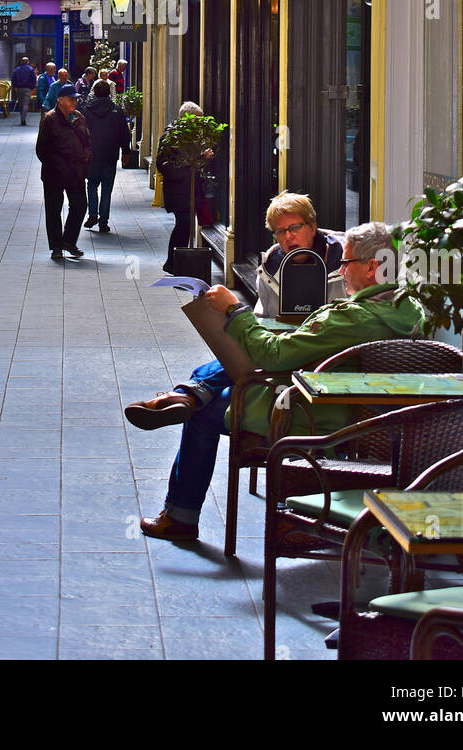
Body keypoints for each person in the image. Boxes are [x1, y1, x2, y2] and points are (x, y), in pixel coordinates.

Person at [128, 221, 426, 541]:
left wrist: (235, 310)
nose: (340, 269)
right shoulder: (407, 310)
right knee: (242, 362)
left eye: (346, 262)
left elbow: (274, 356)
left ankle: (180, 515)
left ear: (373, 267)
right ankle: (191, 393)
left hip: (310, 413)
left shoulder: (353, 319)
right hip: (352, 409)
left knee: (207, 410)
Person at [127, 193, 342, 429]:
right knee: (206, 403)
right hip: (276, 354)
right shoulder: (272, 263)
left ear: (312, 226)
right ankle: (187, 396)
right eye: (280, 231)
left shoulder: (344, 264)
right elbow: (262, 319)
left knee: (202, 411)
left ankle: (187, 393)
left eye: (295, 227)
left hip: (317, 358)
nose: (288, 236)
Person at [155, 101, 214, 273]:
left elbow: (191, 162)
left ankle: (176, 262)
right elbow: (163, 164)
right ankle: (173, 262)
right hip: (178, 190)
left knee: (185, 223)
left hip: (187, 188)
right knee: (184, 222)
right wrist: (186, 171)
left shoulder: (188, 137)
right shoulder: (172, 136)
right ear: (187, 119)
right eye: (197, 120)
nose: (200, 124)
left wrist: (202, 158)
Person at [35, 83, 91, 262]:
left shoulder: (79, 117)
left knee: (80, 206)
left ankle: (68, 240)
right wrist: (57, 164)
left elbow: (87, 141)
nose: (75, 102)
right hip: (55, 174)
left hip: (76, 171)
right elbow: (42, 149)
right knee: (53, 210)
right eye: (70, 99)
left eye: (75, 99)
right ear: (60, 101)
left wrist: (85, 159)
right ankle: (56, 246)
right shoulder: (50, 119)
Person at [83, 79, 131, 233]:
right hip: (110, 155)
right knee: (107, 188)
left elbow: (81, 133)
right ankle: (103, 221)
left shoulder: (87, 111)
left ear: (94, 93)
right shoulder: (116, 110)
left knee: (91, 185)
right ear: (109, 93)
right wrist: (126, 152)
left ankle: (92, 214)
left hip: (92, 155)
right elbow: (124, 133)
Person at [11, 55, 37, 125]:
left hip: (19, 88)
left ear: (21, 62)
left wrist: (15, 86)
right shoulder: (31, 69)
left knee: (20, 104)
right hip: (27, 89)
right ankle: (23, 118)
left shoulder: (17, 69)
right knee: (25, 104)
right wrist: (32, 87)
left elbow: (13, 78)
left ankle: (22, 117)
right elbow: (34, 79)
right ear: (28, 62)